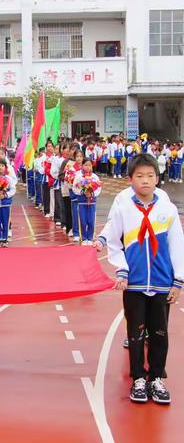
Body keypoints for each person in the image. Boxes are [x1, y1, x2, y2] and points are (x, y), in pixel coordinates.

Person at [105, 153, 183, 404]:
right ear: (130, 180)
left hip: (162, 282)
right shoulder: (124, 208)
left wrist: (178, 280)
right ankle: (139, 377)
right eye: (139, 176)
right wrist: (121, 269)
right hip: (135, 283)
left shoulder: (168, 209)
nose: (145, 181)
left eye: (150, 176)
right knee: (136, 333)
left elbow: (177, 246)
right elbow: (115, 240)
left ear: (158, 178)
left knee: (159, 333)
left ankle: (157, 378)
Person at [72, 157, 102, 245]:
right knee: (83, 220)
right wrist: (82, 192)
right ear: (82, 165)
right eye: (86, 165)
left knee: (91, 220)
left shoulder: (94, 176)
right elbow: (74, 187)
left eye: (89, 165)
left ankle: (90, 237)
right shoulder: (78, 176)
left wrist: (92, 193)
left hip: (92, 202)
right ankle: (84, 238)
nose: (88, 167)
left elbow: (98, 188)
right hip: (82, 201)